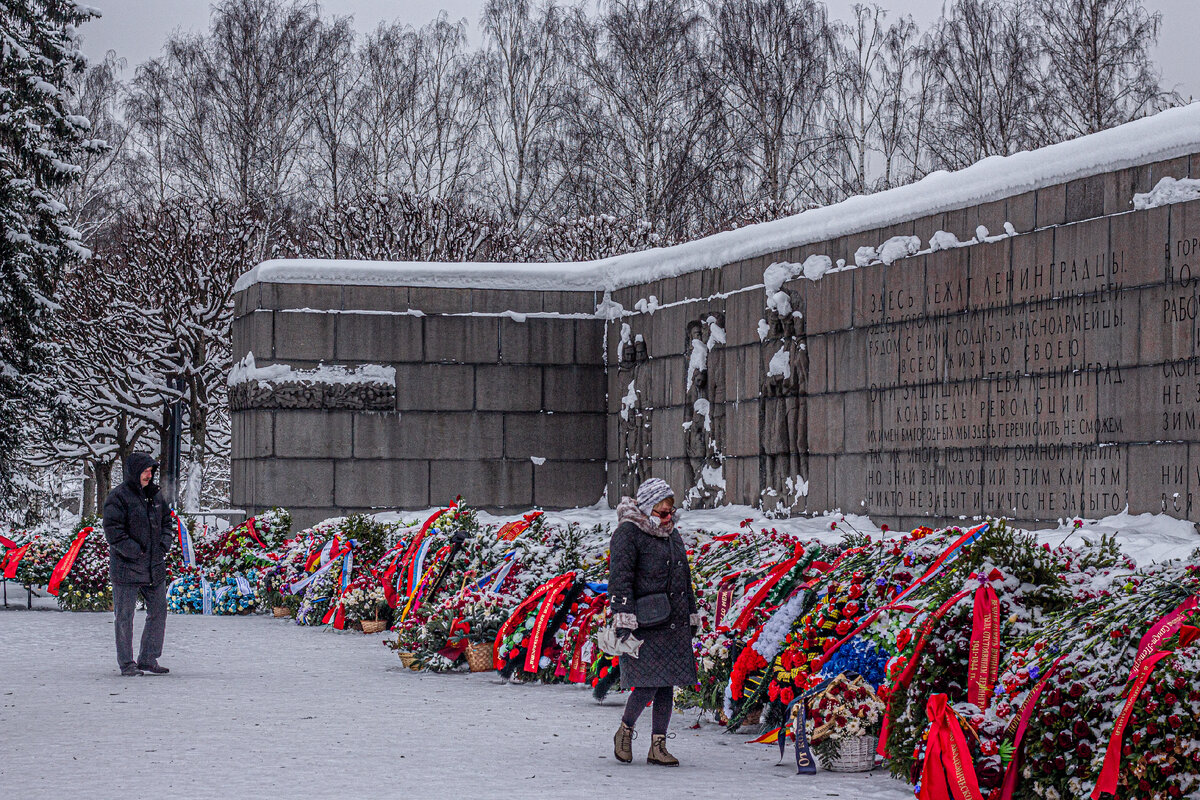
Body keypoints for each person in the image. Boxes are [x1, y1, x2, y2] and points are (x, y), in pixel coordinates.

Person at [608, 478, 699, 766]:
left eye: (671, 511)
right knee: (647, 684)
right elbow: (620, 579)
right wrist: (623, 617)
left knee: (668, 683)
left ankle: (658, 746)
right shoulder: (628, 533)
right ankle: (625, 729)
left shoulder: (671, 534)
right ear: (647, 509)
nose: (669, 517)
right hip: (645, 621)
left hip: (673, 620)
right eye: (662, 512)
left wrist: (692, 613)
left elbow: (684, 578)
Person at [102, 452, 173, 677]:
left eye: (151, 471)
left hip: (154, 566)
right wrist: (136, 551)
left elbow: (167, 523)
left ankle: (148, 658)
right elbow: (113, 531)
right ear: (134, 472)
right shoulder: (119, 497)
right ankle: (127, 663)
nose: (148, 475)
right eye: (145, 471)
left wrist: (162, 546)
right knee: (124, 616)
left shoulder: (155, 496)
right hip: (126, 567)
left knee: (159, 611)